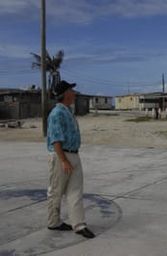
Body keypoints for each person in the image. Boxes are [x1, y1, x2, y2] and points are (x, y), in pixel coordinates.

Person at [46, 80, 95, 239]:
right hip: (62, 155)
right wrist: (63, 160)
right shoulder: (56, 113)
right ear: (65, 94)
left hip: (73, 154)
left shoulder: (67, 111)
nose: (74, 93)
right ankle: (54, 222)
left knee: (75, 191)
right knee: (56, 190)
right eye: (71, 90)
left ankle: (79, 224)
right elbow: (55, 139)